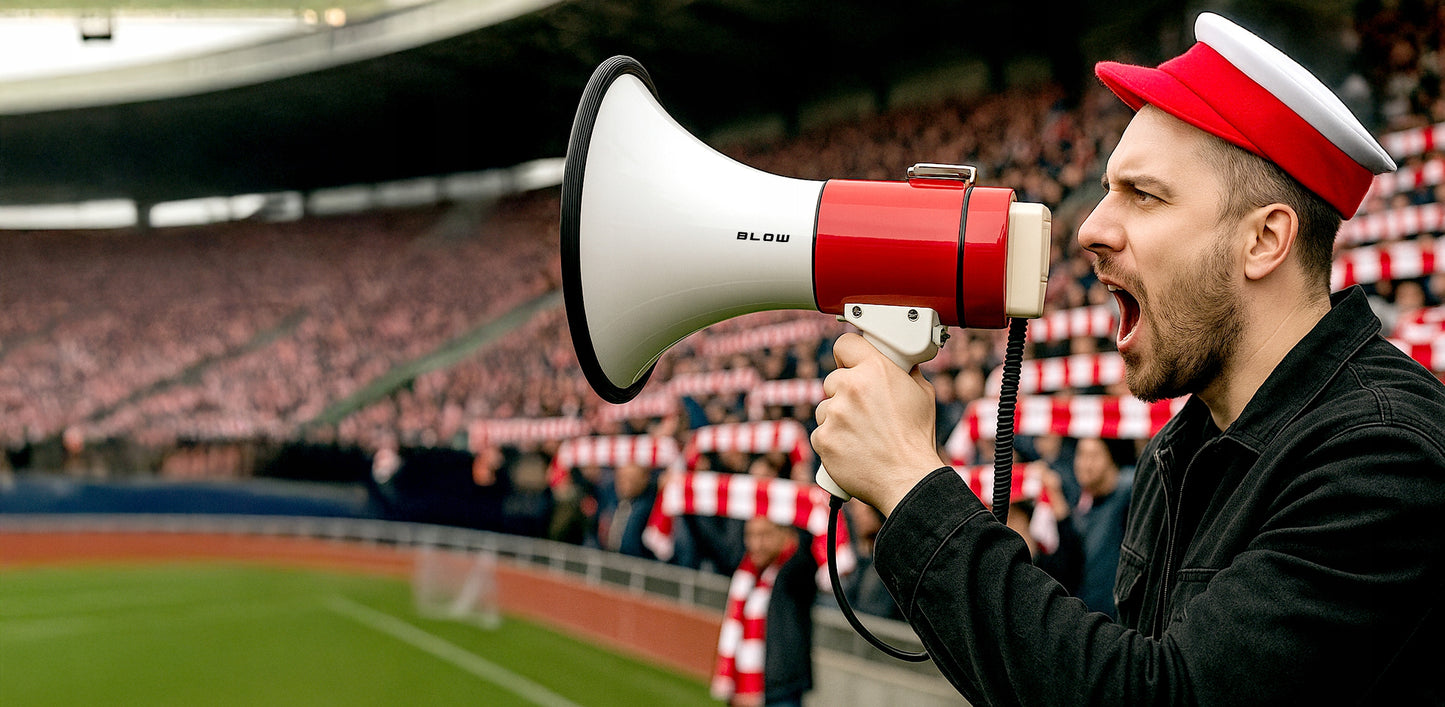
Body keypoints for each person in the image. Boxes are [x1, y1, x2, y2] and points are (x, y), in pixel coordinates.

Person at [811, 12, 1445, 705]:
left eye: (1143, 195)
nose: (1090, 228)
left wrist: (909, 481)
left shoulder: (1385, 456)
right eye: (1109, 189)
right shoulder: (1179, 450)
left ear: (1264, 240)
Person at [1068, 437, 1134, 618]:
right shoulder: (1081, 503)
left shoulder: (1130, 493)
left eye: (1094, 455)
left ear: (1111, 457)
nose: (1084, 464)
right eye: (1080, 455)